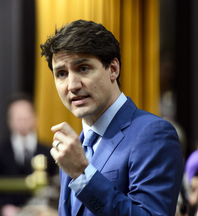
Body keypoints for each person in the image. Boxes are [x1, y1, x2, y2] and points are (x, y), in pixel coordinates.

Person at [40, 19, 183, 216]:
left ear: (113, 69)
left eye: (83, 68)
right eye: (62, 73)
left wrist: (83, 175)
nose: (72, 85)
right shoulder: (74, 147)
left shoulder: (153, 133)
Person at [0, 93, 58, 216]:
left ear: (35, 118)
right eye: (17, 117)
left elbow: (55, 186)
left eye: (26, 116)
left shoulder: (49, 152)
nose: (22, 120)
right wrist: (4, 208)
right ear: (10, 120)